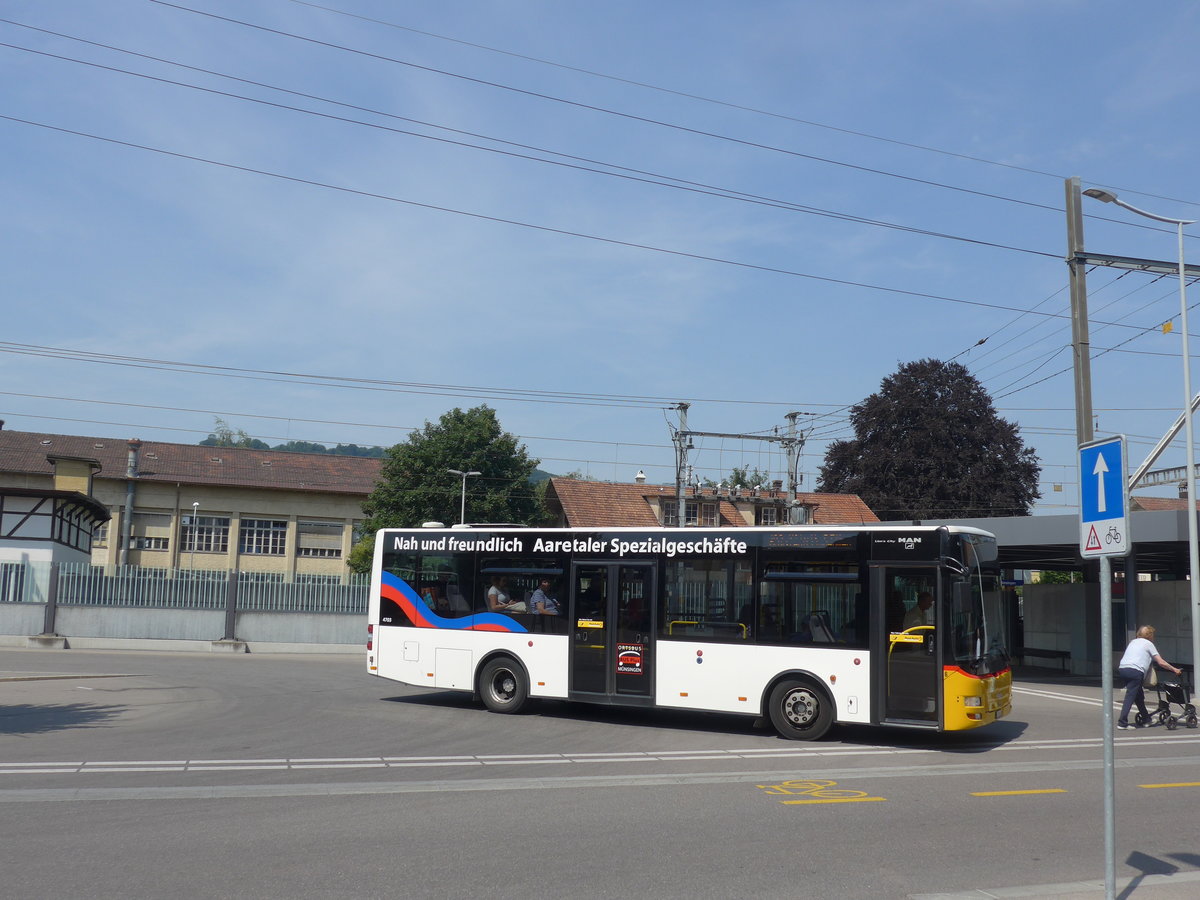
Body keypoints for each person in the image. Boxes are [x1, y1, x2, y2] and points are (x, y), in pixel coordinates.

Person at [1117, 625, 1182, 729]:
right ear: (1149, 635)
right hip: (1135, 671)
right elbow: (1161, 662)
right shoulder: (1148, 644)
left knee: (1139, 696)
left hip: (1123, 669)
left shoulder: (1133, 642)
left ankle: (1146, 719)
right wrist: (1175, 669)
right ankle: (1122, 723)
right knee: (1130, 696)